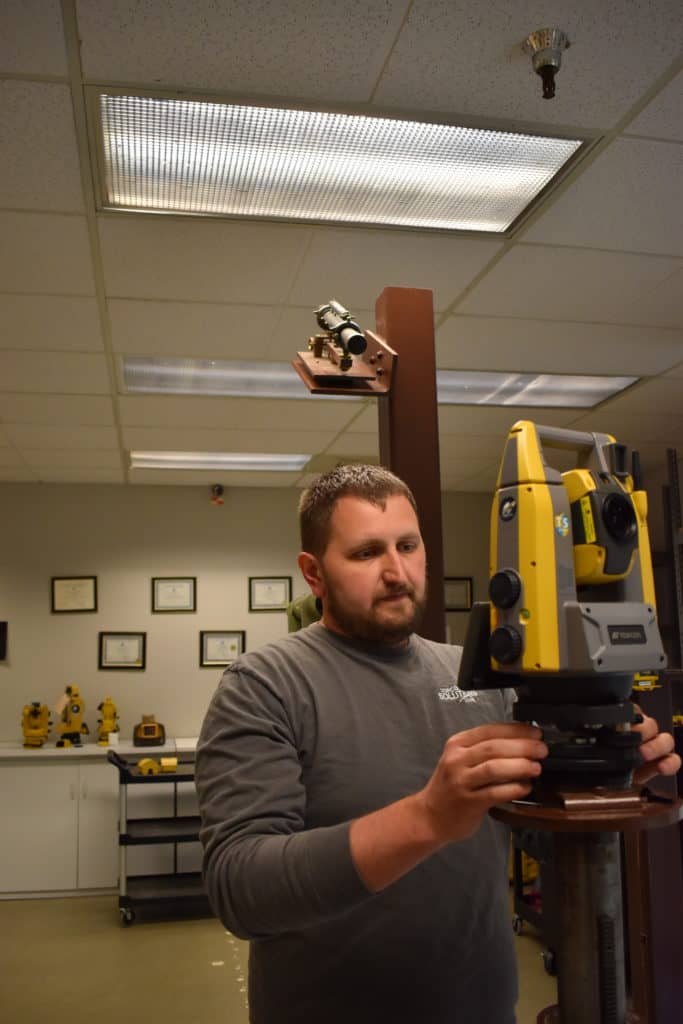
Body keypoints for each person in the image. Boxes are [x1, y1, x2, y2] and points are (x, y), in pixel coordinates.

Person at [195, 464, 680, 1024]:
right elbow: (241, 888)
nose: (396, 571)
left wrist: (604, 784)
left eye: (407, 545)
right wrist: (428, 816)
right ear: (313, 573)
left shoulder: (472, 675)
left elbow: (530, 833)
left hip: (483, 1009)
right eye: (365, 553)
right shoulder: (266, 685)